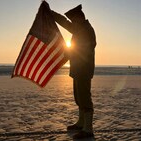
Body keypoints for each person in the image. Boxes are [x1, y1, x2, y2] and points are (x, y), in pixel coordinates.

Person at [51, 4, 96, 139]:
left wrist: (68, 54)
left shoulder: (86, 30)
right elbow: (65, 23)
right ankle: (81, 123)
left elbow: (84, 49)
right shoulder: (80, 28)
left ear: (79, 18)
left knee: (84, 98)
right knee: (79, 97)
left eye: (73, 19)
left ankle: (88, 129)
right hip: (78, 69)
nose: (72, 22)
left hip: (83, 70)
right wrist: (50, 12)